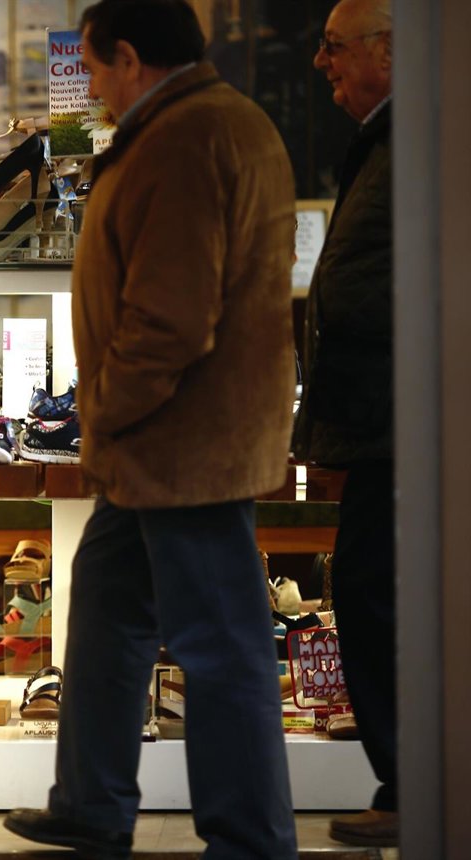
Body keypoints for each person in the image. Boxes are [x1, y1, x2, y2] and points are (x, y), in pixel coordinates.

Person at [4, 1, 299, 856]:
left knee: (220, 648)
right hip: (163, 444)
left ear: (130, 58)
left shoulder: (186, 137)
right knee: (104, 612)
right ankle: (90, 805)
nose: (93, 87)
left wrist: (100, 408)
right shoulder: (207, 123)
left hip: (183, 444)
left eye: (96, 68)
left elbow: (171, 319)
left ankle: (250, 840)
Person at [293, 0, 395, 847]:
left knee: (373, 594)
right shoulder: (389, 141)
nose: (322, 63)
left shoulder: (419, 141)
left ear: (388, 51)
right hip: (384, 423)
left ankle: (410, 785)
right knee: (369, 592)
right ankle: (408, 782)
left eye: (335, 48)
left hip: (405, 425)